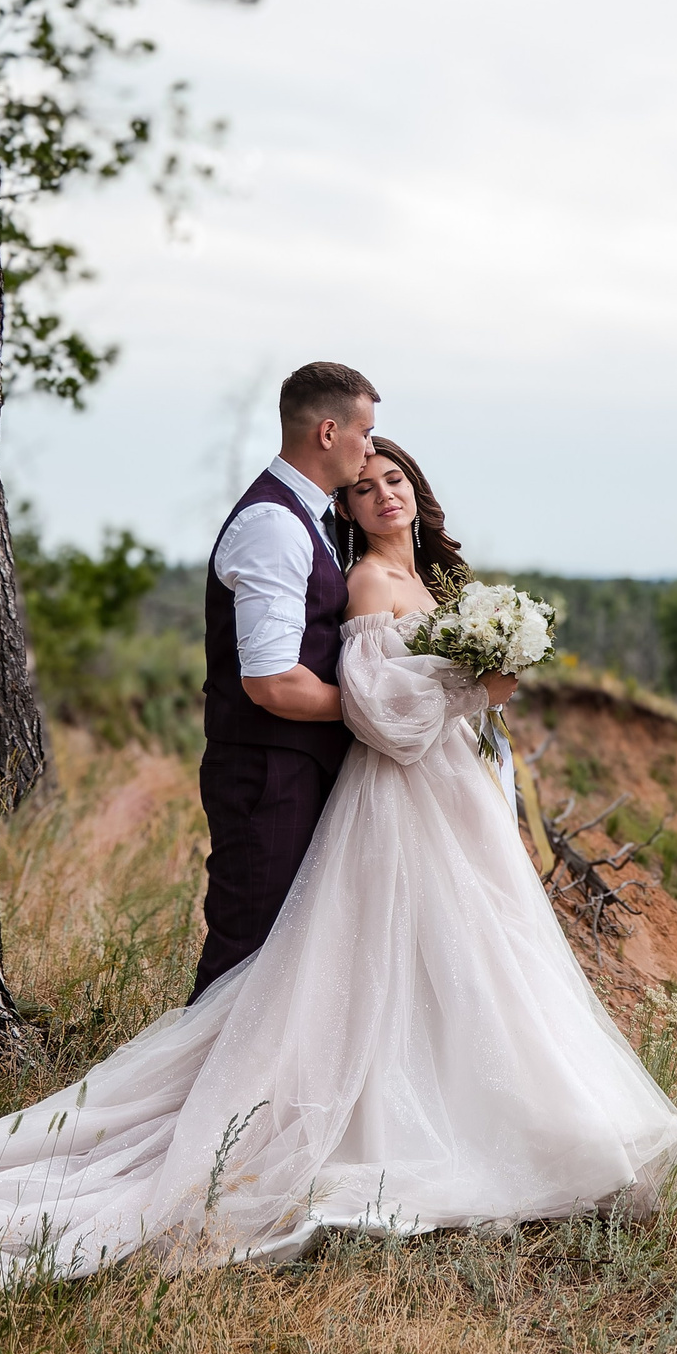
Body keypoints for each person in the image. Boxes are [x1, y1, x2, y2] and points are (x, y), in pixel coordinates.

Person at [0, 428, 677, 1290]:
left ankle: (499, 1113)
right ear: (348, 503)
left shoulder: (442, 587)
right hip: (403, 801)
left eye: (395, 479)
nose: (382, 493)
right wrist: (468, 687)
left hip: (458, 796)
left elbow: (443, 701)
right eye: (364, 485)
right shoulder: (367, 583)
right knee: (391, 954)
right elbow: (383, 715)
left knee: (476, 957)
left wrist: (490, 678)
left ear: (419, 490)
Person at [192, 361, 380, 1002]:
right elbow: (272, 682)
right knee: (247, 955)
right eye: (364, 433)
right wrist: (380, 708)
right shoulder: (273, 525)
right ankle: (203, 1070)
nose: (370, 448)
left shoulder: (311, 519)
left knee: (287, 967)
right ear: (328, 432)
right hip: (267, 774)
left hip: (295, 767)